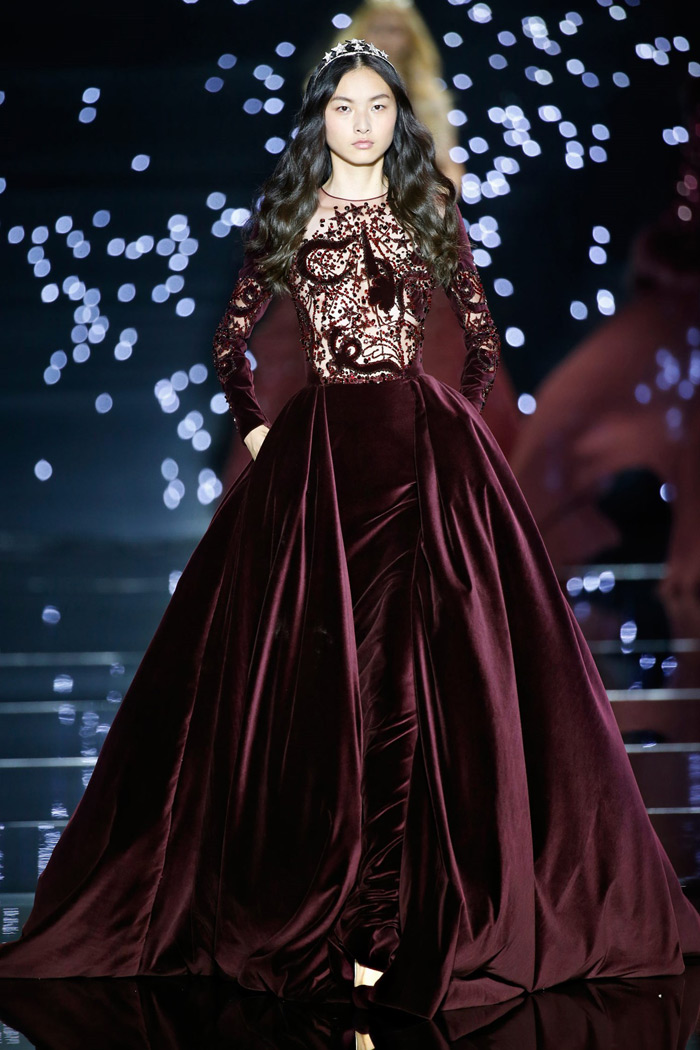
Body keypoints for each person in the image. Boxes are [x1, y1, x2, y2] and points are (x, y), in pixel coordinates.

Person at [0, 40, 698, 1023]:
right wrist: (263, 434)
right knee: (320, 665)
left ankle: (396, 913)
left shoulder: (427, 208)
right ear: (320, 118)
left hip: (420, 454)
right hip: (323, 460)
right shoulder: (292, 213)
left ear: (397, 117)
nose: (362, 123)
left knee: (424, 668)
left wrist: (453, 430)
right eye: (344, 107)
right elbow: (231, 341)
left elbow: (480, 338)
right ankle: (331, 896)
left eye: (377, 106)